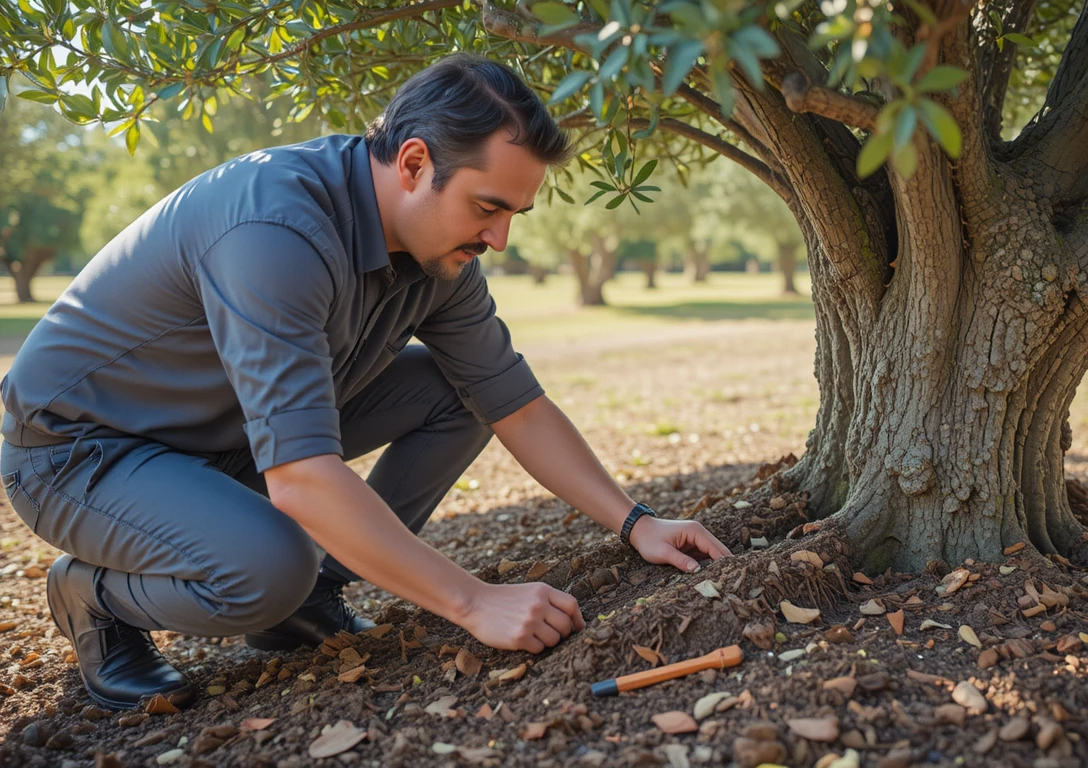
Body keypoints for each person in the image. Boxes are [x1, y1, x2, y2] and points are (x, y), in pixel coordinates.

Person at [0, 53, 732, 712]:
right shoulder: (276, 231)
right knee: (269, 566)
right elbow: (302, 480)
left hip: (221, 435)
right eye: (488, 207)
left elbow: (514, 401)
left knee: (456, 391)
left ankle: (310, 597)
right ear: (413, 164)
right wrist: (472, 602)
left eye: (514, 213)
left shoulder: (441, 256)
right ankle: (94, 598)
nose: (500, 239)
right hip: (81, 454)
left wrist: (637, 522)